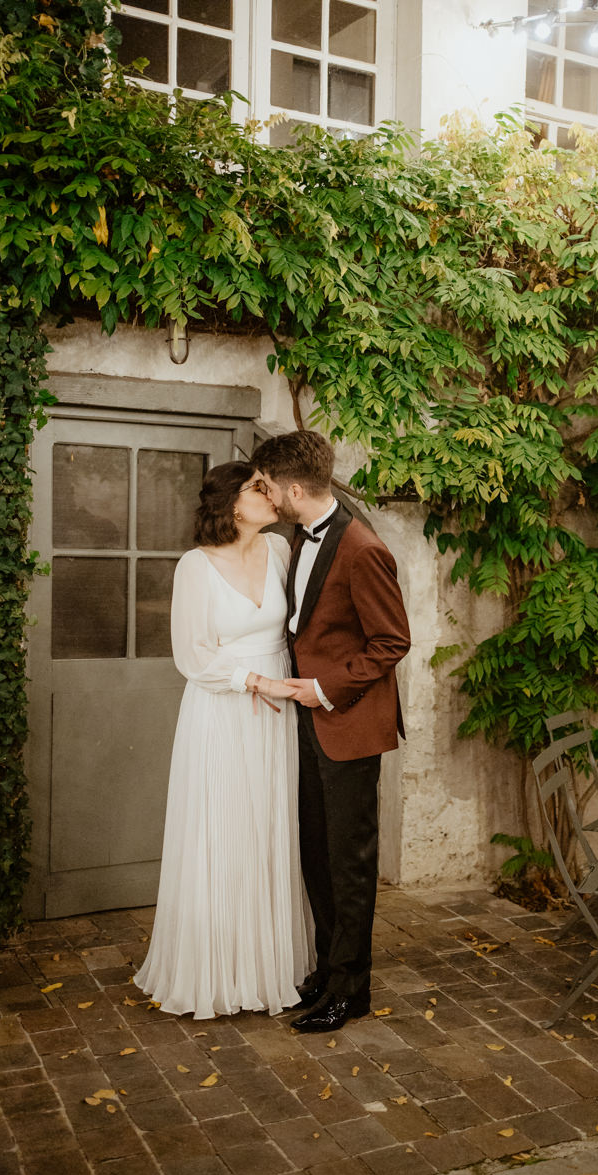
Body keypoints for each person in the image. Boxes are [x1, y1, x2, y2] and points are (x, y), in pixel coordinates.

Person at [133, 462, 312, 1019]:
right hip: (222, 710)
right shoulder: (196, 566)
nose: (271, 494)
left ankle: (267, 969)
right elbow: (192, 655)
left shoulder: (280, 550)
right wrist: (254, 682)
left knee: (269, 830)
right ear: (233, 503)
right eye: (259, 487)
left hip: (275, 717)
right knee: (222, 830)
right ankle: (214, 972)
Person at [250, 431, 411, 1032]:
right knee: (317, 856)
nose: (265, 495)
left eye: (268, 487)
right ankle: (326, 972)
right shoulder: (300, 536)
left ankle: (351, 991)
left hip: (348, 724)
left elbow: (392, 642)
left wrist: (322, 689)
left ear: (294, 489)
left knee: (349, 864)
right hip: (308, 723)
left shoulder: (363, 548)